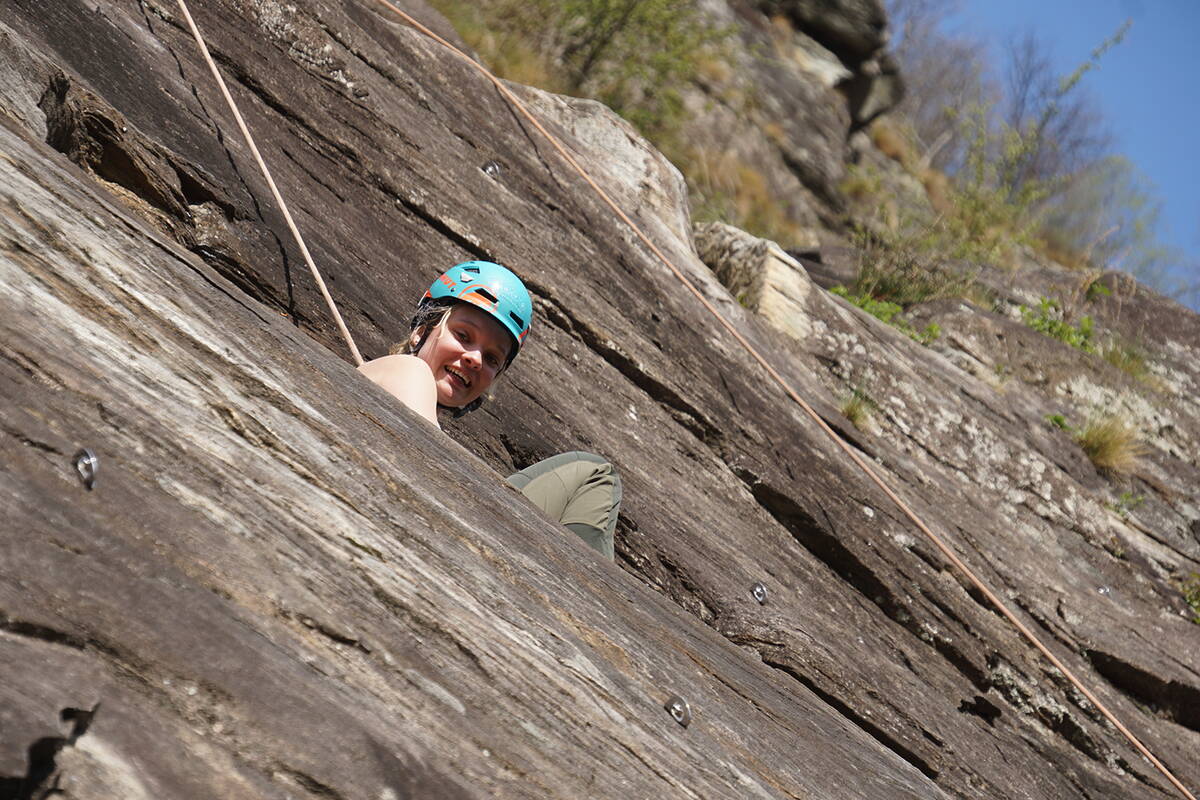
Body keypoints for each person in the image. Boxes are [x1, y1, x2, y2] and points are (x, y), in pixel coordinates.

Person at [358, 260, 620, 560]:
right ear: (421, 330)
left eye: (492, 358)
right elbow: (430, 481)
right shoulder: (408, 370)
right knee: (595, 473)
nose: (475, 360)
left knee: (591, 472)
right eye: (463, 335)